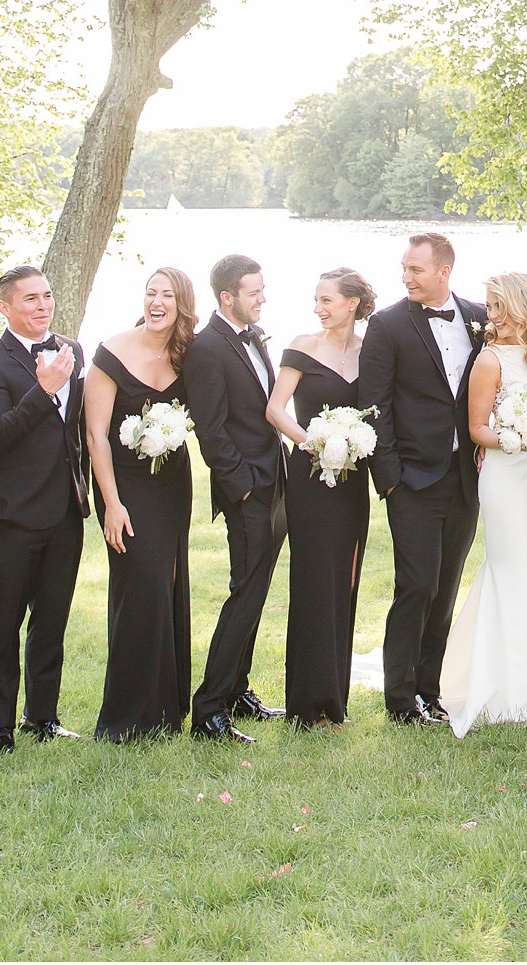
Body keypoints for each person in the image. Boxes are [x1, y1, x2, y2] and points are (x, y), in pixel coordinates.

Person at [358, 231, 486, 726]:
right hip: (412, 479)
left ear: (444, 272)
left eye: (416, 269)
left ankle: (430, 691)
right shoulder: (387, 325)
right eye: (404, 268)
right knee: (416, 586)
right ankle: (400, 699)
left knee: (446, 586)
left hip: (465, 477)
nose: (406, 277)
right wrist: (389, 477)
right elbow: (376, 406)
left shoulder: (478, 317)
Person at [440, 271, 527, 735]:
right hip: (507, 476)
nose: (490, 317)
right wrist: (521, 438)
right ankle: (504, 686)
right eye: (489, 306)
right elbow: (477, 429)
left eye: (497, 307)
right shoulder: (489, 360)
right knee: (510, 569)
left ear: (523, 306)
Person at [0, 262, 90, 757]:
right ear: (5, 308)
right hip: (12, 516)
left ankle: (43, 717)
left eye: (47, 297)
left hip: (65, 509)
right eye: (30, 300)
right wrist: (44, 390)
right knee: (3, 625)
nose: (42, 307)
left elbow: (78, 428)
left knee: (52, 621)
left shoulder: (71, 351)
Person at [83, 266, 197, 740]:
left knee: (168, 585)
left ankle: (167, 712)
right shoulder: (111, 352)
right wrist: (111, 503)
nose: (157, 301)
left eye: (167, 295)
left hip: (172, 484)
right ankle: (125, 717)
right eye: (151, 292)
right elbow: (95, 434)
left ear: (181, 304)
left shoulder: (187, 354)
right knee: (140, 589)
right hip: (125, 487)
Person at [266, 266, 377, 727]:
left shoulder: (372, 351)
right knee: (313, 583)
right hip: (311, 479)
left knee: (345, 583)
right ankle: (305, 705)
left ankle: (336, 702)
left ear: (352, 303)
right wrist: (311, 441)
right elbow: (275, 408)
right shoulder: (301, 347)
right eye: (316, 300)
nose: (318, 308)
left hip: (354, 482)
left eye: (326, 300)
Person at [184, 253, 286, 742]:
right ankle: (208, 711)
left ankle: (238, 691)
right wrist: (243, 486)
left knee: (258, 591)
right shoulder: (207, 348)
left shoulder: (252, 337)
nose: (262, 298)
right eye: (254, 292)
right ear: (227, 298)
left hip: (276, 483)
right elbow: (211, 428)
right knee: (244, 594)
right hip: (249, 492)